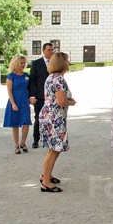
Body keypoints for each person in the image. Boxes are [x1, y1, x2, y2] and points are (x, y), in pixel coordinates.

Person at [40, 52, 76, 193]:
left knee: (53, 149)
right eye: (67, 60)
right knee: (54, 150)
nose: (68, 62)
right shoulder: (58, 79)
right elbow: (61, 101)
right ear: (61, 63)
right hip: (54, 118)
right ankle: (46, 182)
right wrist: (70, 102)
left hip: (50, 116)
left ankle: (46, 175)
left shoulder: (52, 77)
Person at [4, 54, 32, 153]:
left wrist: (31, 98)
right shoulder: (11, 76)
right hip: (15, 99)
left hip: (24, 100)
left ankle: (23, 142)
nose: (23, 65)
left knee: (26, 122)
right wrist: (13, 103)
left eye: (24, 63)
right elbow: (9, 91)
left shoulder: (26, 75)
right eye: (21, 63)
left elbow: (30, 88)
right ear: (16, 63)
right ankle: (16, 145)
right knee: (15, 123)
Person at [28, 42, 53, 148]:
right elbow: (32, 81)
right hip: (40, 96)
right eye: (49, 50)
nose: (51, 52)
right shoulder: (36, 63)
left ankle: (50, 138)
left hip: (52, 96)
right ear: (43, 51)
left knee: (51, 118)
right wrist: (32, 95)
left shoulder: (55, 62)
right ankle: (36, 139)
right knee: (38, 117)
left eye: (52, 50)